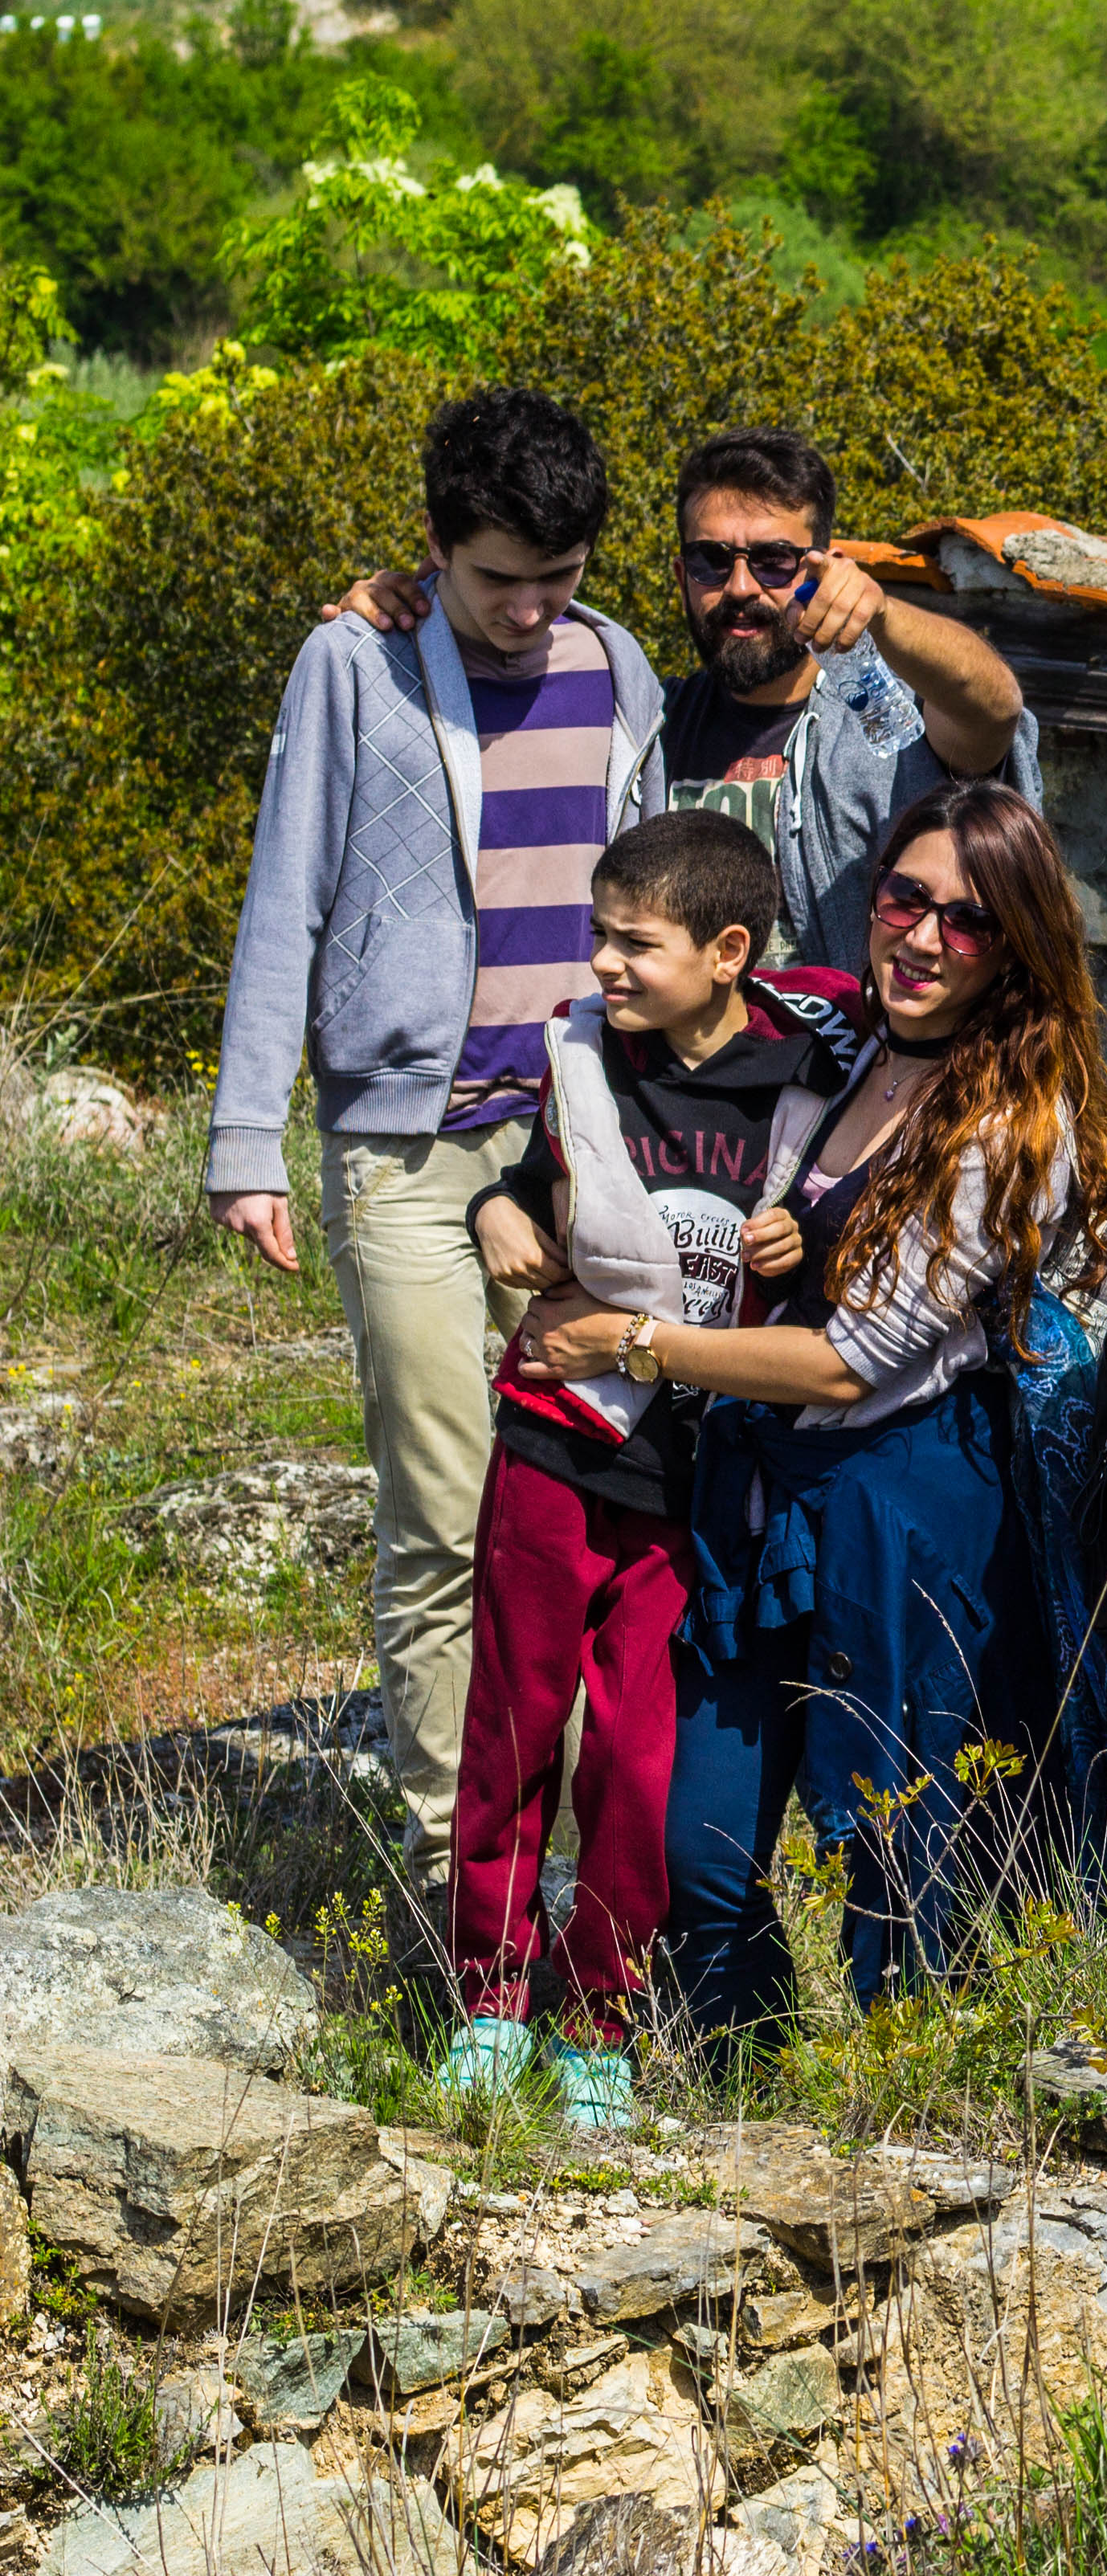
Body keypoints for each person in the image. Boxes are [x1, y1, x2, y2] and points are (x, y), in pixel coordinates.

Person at [524, 782, 1107, 2040]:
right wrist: (515, 1196)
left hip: (907, 1497)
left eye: (969, 921)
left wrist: (638, 1346)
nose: (924, 938)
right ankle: (744, 2078)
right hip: (758, 1492)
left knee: (900, 1841)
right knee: (695, 1842)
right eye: (905, 899)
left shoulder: (1008, 1122)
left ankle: (906, 2099)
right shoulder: (836, 1042)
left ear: (1019, 945)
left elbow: (847, 1364)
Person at [209, 385, 664, 1888]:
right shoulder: (355, 662)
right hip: (406, 1145)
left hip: (577, 1149)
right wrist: (246, 1145)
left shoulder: (621, 669)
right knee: (445, 1504)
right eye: (496, 580)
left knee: (583, 1512)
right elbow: (289, 895)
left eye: (560, 577)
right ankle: (454, 1867)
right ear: (433, 547)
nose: (531, 611)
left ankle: (585, 1851)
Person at [443, 812, 860, 2123]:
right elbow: (518, 1183)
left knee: (632, 1760)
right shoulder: (586, 1058)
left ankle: (600, 2022)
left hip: (694, 1478)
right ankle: (491, 1999)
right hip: (556, 1437)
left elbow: (845, 1252)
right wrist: (497, 1213)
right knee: (514, 1719)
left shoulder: (807, 1086)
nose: (607, 966)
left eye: (638, 943)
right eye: (600, 936)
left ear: (729, 951)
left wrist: (818, 1239)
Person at [327, 429, 1036, 978]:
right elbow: (500, 693)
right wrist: (412, 615)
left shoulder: (887, 726)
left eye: (774, 562)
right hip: (682, 1123)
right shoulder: (640, 724)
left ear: (824, 567)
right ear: (679, 573)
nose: (740, 588)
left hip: (846, 1107)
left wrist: (883, 618)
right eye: (710, 561)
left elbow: (994, 706)